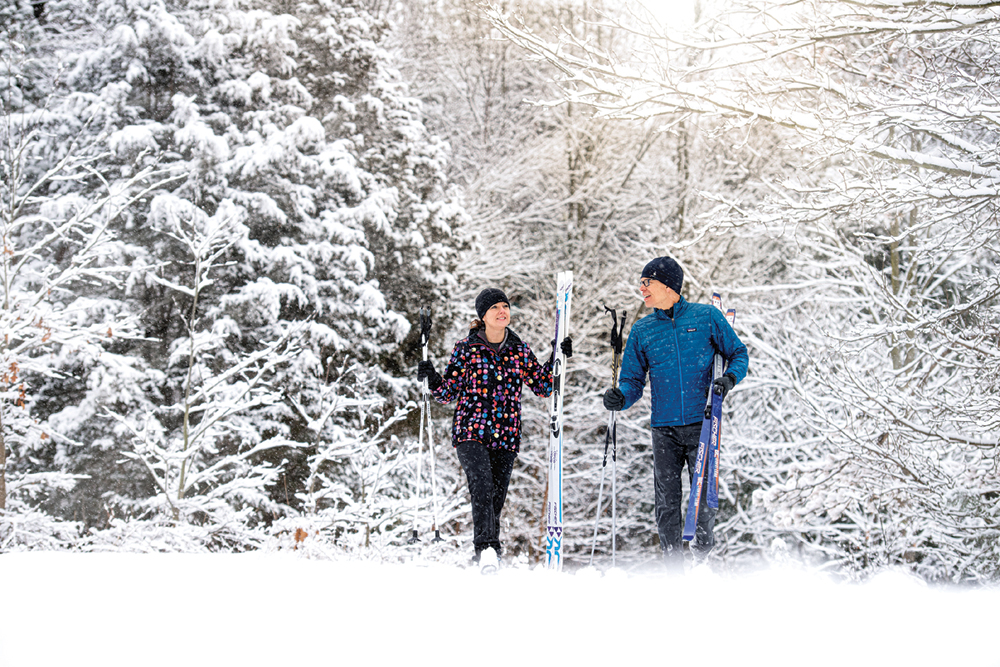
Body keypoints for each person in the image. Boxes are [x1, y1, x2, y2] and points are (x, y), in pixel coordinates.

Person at [602, 256, 748, 567]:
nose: (642, 288)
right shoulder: (643, 330)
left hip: (703, 423)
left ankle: (702, 555)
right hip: (663, 429)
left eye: (647, 282)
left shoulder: (707, 317)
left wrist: (729, 378)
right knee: (666, 503)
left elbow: (738, 353)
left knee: (703, 499)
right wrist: (621, 397)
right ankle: (673, 568)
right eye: (641, 283)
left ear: (669, 285)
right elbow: (632, 382)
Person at [418, 287, 572, 569]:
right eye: (495, 308)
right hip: (470, 431)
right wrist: (433, 378)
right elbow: (448, 392)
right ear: (483, 316)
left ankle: (485, 558)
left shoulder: (519, 350)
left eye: (505, 306)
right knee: (482, 486)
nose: (503, 311)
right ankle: (488, 549)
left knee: (495, 498)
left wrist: (557, 356)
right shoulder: (466, 349)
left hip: (506, 435)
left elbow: (542, 385)